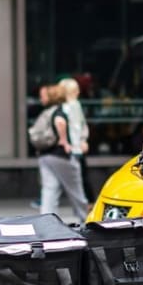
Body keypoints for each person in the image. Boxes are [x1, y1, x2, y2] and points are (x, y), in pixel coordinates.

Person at [38, 84, 88, 225]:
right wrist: (64, 140)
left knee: (49, 190)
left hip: (45, 155)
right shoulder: (63, 109)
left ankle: (46, 223)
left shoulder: (47, 111)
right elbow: (60, 122)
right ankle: (86, 220)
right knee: (76, 192)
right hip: (61, 156)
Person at [59, 77, 92, 206]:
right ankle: (87, 204)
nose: (78, 92)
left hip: (75, 147)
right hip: (73, 148)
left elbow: (80, 126)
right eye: (75, 90)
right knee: (79, 178)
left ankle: (87, 204)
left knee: (80, 177)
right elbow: (77, 127)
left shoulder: (73, 105)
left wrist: (82, 141)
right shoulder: (69, 106)